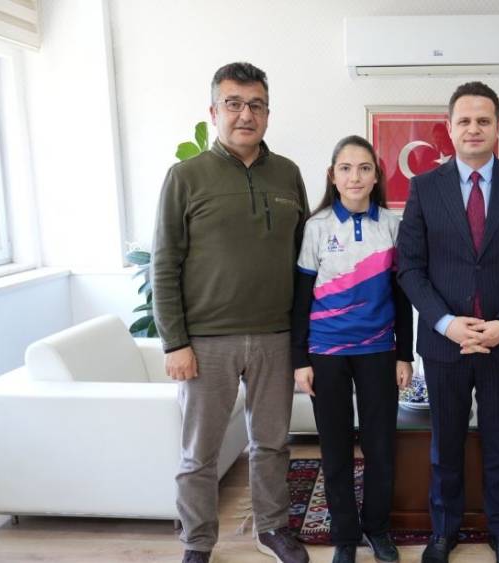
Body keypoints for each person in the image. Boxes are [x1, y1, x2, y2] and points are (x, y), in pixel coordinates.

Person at [152, 62, 310, 563]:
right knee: (199, 452)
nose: (246, 115)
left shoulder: (288, 174)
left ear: (267, 113)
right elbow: (164, 263)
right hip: (206, 342)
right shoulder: (185, 177)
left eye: (256, 105)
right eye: (234, 104)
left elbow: (304, 259)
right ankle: (198, 542)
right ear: (214, 111)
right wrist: (175, 342)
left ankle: (272, 529)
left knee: (272, 444)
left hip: (275, 336)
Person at [396, 81, 499, 563]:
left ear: (497, 127)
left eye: (483, 120)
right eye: (464, 120)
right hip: (446, 343)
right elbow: (410, 268)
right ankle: (443, 532)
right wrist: (446, 323)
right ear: (449, 128)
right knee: (445, 443)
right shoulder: (424, 188)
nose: (473, 128)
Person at [290, 135, 414, 563]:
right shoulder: (316, 226)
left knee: (380, 446)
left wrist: (404, 354)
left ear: (377, 176)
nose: (355, 177)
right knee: (335, 447)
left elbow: (402, 295)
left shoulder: (392, 225)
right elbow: (301, 298)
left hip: (378, 350)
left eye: (364, 168)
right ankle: (345, 534)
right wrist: (299, 360)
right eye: (345, 168)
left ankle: (377, 528)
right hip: (326, 353)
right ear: (332, 175)